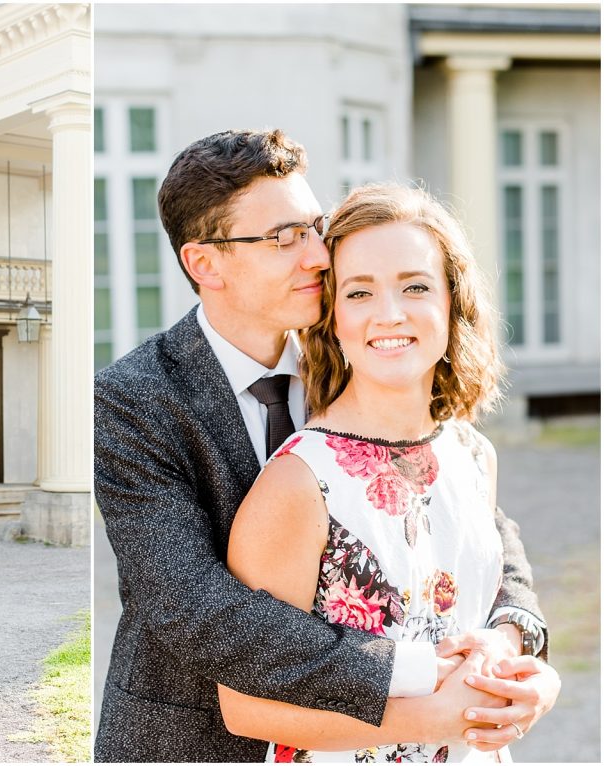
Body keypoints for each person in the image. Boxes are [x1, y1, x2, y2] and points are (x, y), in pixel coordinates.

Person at [94, 129, 554, 762]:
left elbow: (487, 538)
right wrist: (425, 676)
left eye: (313, 226)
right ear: (205, 264)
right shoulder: (132, 400)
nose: (317, 255)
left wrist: (514, 642)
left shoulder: (358, 365)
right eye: (284, 238)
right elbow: (194, 609)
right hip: (198, 741)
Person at [217, 183, 560, 761]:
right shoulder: (299, 483)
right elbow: (245, 707)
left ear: (453, 303)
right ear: (333, 320)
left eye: (415, 286)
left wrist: (530, 685)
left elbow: (487, 611)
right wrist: (431, 719)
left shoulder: (474, 456)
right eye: (359, 293)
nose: (389, 314)